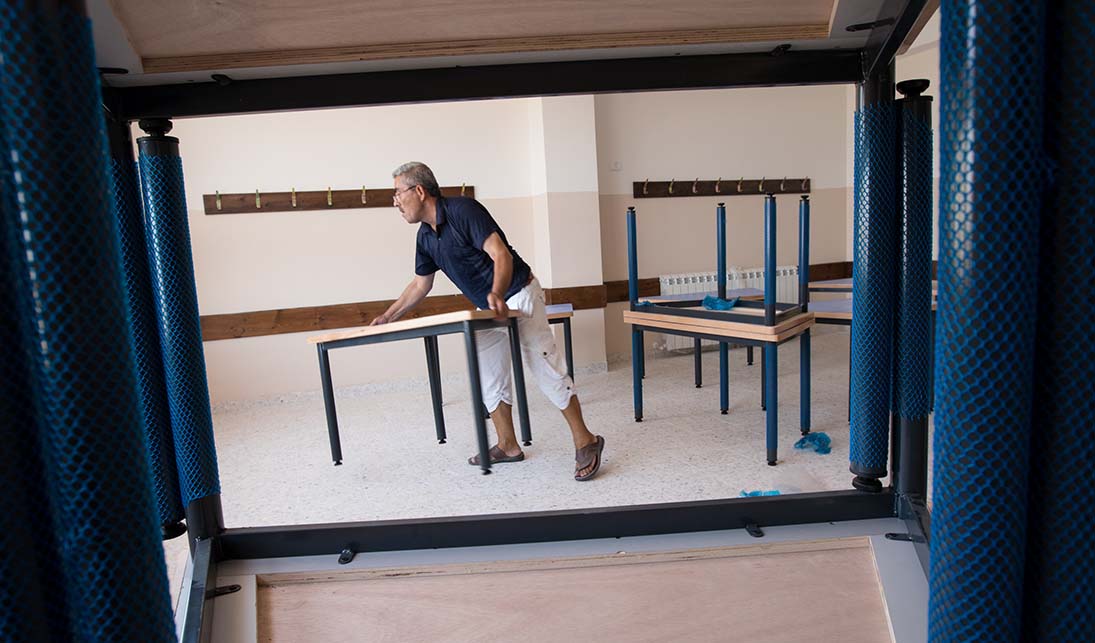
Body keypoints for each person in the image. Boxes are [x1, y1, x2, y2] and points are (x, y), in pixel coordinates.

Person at [372, 162, 605, 481]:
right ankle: (508, 445)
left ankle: (586, 441)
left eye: (398, 193)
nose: (396, 201)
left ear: (420, 191)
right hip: (487, 307)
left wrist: (497, 291)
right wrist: (388, 315)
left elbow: (500, 254)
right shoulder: (425, 237)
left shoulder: (462, 210)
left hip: (518, 292)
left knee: (544, 365)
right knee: (489, 376)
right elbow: (420, 285)